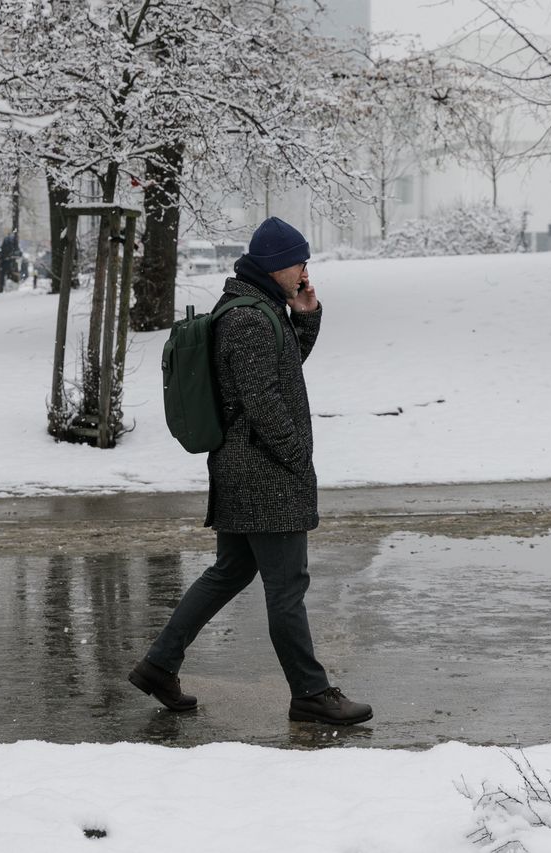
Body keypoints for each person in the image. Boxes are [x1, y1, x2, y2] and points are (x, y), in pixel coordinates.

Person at [129, 217, 372, 726]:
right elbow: (262, 401)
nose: (306, 270)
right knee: (287, 589)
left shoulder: (262, 311)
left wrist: (306, 317)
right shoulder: (247, 318)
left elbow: (281, 367)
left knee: (230, 572)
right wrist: (296, 457)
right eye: (301, 261)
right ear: (277, 264)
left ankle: (159, 665)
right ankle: (310, 692)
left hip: (248, 469)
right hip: (265, 475)